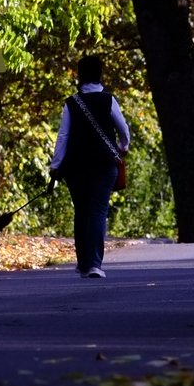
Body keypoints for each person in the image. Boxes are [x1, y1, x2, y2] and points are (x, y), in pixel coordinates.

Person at [49, 54, 130, 278]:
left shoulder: (72, 103)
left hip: (76, 166)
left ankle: (83, 263)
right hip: (104, 165)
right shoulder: (108, 100)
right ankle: (94, 263)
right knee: (97, 211)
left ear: (80, 75)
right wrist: (122, 148)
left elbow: (63, 136)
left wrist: (56, 165)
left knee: (82, 212)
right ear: (100, 74)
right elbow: (123, 131)